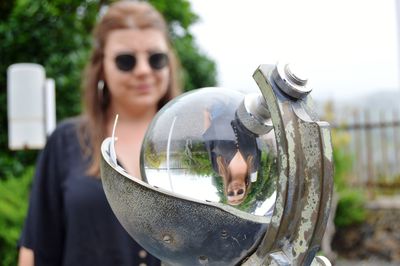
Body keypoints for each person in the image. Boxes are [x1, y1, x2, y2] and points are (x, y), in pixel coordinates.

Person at [18, 1, 181, 265]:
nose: (143, 70)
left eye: (156, 58)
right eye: (125, 61)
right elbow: (35, 252)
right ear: (101, 66)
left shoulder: (195, 143)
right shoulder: (65, 141)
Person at [202, 100, 261, 205]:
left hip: (218, 113)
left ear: (226, 190)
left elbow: (208, 139)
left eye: (230, 193)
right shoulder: (254, 166)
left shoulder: (218, 168)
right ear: (246, 187)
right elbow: (257, 140)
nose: (235, 190)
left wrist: (206, 114)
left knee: (218, 91)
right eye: (240, 192)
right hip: (243, 115)